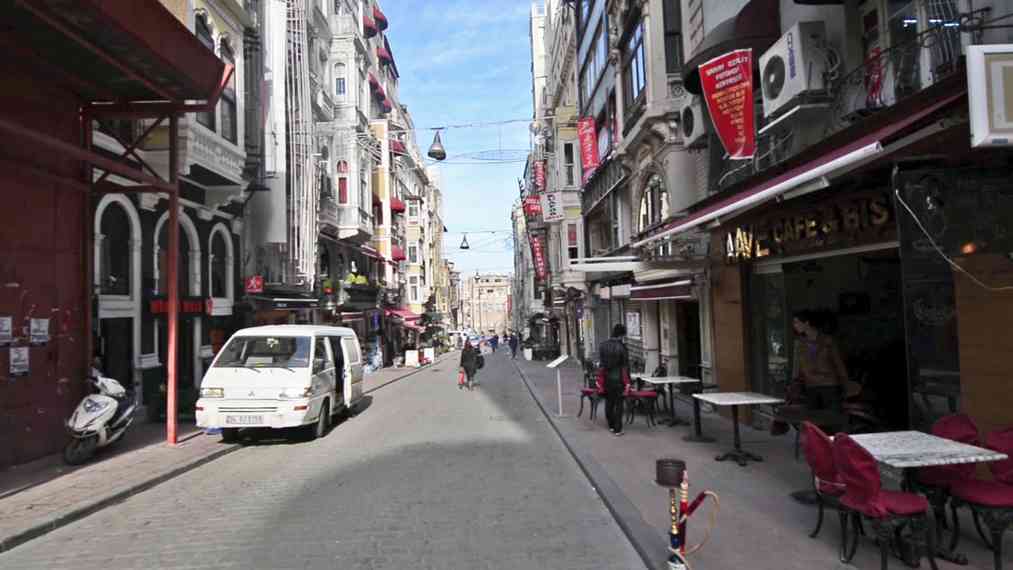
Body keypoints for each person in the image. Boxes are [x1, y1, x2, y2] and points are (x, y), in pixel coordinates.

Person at [792, 310, 849, 412]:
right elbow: (798, 366)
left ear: (806, 323)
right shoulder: (799, 343)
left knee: (832, 417)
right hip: (810, 387)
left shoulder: (828, 340)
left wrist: (846, 384)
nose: (794, 325)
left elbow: (839, 364)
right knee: (813, 418)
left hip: (829, 385)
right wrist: (795, 382)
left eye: (796, 322)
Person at [598, 324, 630, 436]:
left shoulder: (603, 345)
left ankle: (611, 425)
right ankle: (618, 428)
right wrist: (627, 383)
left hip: (606, 379)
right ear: (621, 335)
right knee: (619, 404)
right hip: (619, 379)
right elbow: (625, 366)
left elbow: (601, 364)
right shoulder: (622, 347)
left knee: (609, 402)